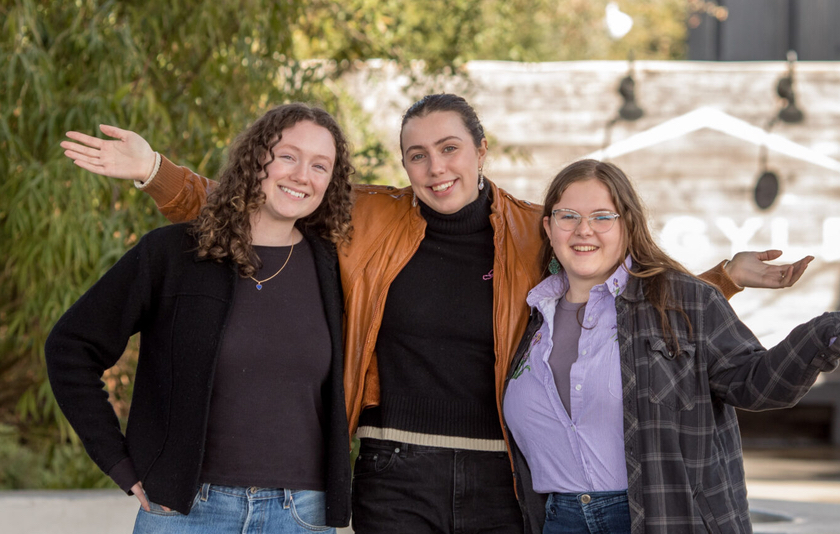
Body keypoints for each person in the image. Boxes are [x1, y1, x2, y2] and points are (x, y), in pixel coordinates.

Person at [60, 94, 812, 534]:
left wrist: (720, 279)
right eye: (415, 154)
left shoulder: (532, 228)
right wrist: (156, 173)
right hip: (394, 469)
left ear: (480, 151)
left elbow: (620, 277)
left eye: (449, 148)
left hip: (498, 479)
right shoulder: (366, 220)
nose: (434, 167)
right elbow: (255, 206)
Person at [46, 103, 354, 533]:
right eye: (288, 156)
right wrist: (117, 460)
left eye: (320, 165)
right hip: (187, 512)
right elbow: (70, 347)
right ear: (257, 159)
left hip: (300, 514)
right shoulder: (174, 254)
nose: (302, 174)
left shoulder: (336, 267)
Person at [502, 159, 839, 534]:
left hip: (664, 517)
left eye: (602, 217)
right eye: (568, 216)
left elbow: (757, 385)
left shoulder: (682, 300)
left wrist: (826, 333)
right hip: (558, 520)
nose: (584, 230)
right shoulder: (527, 314)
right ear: (548, 226)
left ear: (628, 225)